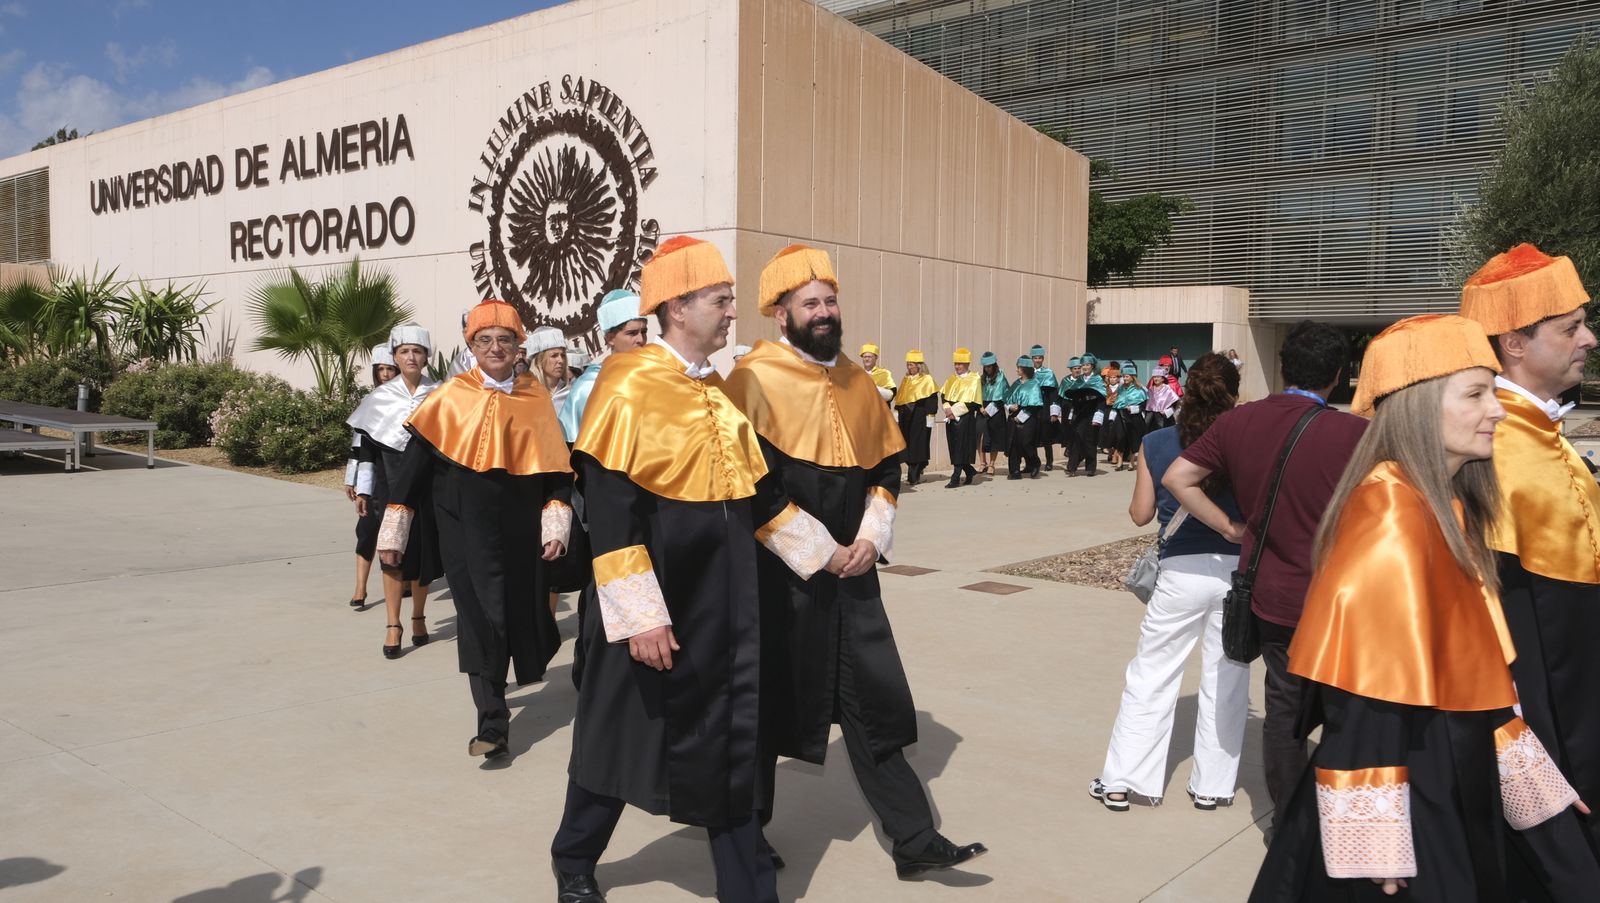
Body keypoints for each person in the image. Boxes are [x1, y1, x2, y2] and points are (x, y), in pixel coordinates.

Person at [1250, 314, 1591, 901]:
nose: (1499, 411)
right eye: (1476, 394)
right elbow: (1363, 695)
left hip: (1451, 759)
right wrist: (1373, 836)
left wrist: (1531, 780)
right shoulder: (1391, 511)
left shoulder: (1443, 504)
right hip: (1412, 776)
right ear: (1419, 406)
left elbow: (1477, 670)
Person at [551, 235, 838, 903]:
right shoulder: (625, 387)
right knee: (619, 740)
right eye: (721, 299)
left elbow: (761, 493)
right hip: (658, 603)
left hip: (727, 602)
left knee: (730, 740)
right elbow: (614, 514)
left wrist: (827, 553)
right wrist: (642, 616)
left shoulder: (718, 388)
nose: (733, 311)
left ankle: (748, 889)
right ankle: (573, 856)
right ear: (678, 307)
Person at [724, 243, 987, 882]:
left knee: (874, 703)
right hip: (780, 578)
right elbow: (750, 483)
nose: (824, 311)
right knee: (768, 710)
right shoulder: (750, 378)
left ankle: (914, 838)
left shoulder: (857, 380)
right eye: (809, 302)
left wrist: (871, 535)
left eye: (830, 299)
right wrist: (820, 550)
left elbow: (885, 466)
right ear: (780, 313)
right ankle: (747, 844)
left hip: (855, 575)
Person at [1163, 321, 1367, 835]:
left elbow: (1177, 478)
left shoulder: (1239, 422)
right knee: (1348, 709)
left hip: (1273, 594)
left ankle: (1290, 821)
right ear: (1339, 375)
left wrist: (1232, 527)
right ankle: (1348, 820)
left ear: (1282, 367)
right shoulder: (1356, 433)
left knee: (1285, 709)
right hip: (1342, 598)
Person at [1459, 243, 1600, 884]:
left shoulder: (1541, 431)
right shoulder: (1490, 447)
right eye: (1570, 328)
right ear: (1514, 342)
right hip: (1547, 711)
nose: (1589, 339)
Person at [376, 300, 573, 758]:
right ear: (472, 346)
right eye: (485, 340)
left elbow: (558, 474)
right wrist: (393, 534)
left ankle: (502, 695)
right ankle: (492, 722)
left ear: (519, 347)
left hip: (522, 535)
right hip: (463, 532)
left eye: (505, 340)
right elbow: (411, 472)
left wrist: (556, 526)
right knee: (479, 621)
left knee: (517, 618)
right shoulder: (448, 397)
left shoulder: (535, 398)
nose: (495, 348)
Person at [1091, 353, 1247, 813]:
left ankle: (1123, 781)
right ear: (1234, 394)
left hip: (1180, 570)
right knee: (1228, 677)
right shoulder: (1247, 440)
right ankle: (1212, 787)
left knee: (1152, 674)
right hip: (1237, 570)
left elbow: (1140, 515)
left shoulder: (1157, 440)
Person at [347, 323, 443, 658]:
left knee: (423, 555)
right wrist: (363, 490)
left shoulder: (442, 393)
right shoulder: (379, 398)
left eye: (418, 351)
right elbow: (369, 451)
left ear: (427, 356)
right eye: (405, 351)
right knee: (391, 554)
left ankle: (418, 616)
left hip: (429, 488)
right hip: (390, 487)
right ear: (395, 356)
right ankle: (393, 623)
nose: (411, 357)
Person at [344, 343, 398, 609]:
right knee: (367, 530)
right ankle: (360, 588)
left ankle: (406, 583)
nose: (386, 374)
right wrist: (352, 478)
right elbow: (359, 445)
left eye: (391, 369)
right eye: (381, 369)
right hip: (373, 475)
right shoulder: (370, 401)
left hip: (399, 476)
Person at [559, 290, 648, 444]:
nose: (641, 339)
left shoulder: (653, 377)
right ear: (610, 338)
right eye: (632, 333)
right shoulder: (589, 387)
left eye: (644, 331)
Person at [893, 351, 938, 485]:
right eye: (908, 364)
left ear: (919, 365)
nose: (909, 367)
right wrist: (896, 412)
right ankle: (916, 470)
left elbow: (931, 399)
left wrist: (930, 416)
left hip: (919, 416)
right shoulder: (906, 379)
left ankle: (913, 475)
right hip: (905, 418)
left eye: (911, 364)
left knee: (918, 445)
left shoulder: (927, 380)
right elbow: (900, 398)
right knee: (907, 444)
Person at [939, 348, 982, 488]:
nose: (957, 366)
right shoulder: (951, 378)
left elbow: (974, 402)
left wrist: (954, 411)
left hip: (965, 418)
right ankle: (969, 471)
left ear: (967, 364)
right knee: (954, 447)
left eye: (960, 364)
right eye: (955, 363)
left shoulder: (975, 378)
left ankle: (955, 477)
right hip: (950, 418)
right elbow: (943, 395)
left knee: (960, 447)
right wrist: (946, 409)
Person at [1063, 352, 1108, 477]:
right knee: (1077, 438)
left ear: (1092, 365)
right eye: (1083, 365)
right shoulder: (1079, 380)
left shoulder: (1098, 379)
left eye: (1087, 364)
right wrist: (1072, 413)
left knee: (1090, 440)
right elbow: (1074, 398)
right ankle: (1072, 467)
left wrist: (1098, 415)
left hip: (1092, 413)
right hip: (1079, 412)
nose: (1085, 367)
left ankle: (1090, 467)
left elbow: (1101, 400)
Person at [1005, 354, 1043, 480]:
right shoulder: (1016, 383)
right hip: (1013, 416)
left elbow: (1034, 405)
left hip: (1028, 416)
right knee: (1013, 444)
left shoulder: (1034, 384)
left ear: (1024, 369)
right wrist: (1010, 407)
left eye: (1018, 368)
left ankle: (1035, 463)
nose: (1016, 370)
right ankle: (1015, 471)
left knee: (1026, 442)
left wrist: (1021, 417)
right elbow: (1006, 399)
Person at [1110, 364, 1148, 472]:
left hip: (1133, 417)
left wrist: (1133, 408)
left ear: (1132, 377)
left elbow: (1143, 406)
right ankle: (1120, 462)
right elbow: (1117, 402)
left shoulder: (1139, 389)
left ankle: (1131, 462)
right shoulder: (1121, 388)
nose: (1125, 378)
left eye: (1127, 376)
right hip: (1121, 415)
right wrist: (1112, 415)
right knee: (1120, 438)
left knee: (1133, 439)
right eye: (1123, 376)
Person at [524, 325, 570, 412]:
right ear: (539, 360)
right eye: (554, 355)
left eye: (563, 355)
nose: (560, 360)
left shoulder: (572, 394)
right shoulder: (526, 395)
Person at [978, 351, 1009, 476]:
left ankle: (992, 464)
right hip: (982, 407)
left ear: (994, 365)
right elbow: (977, 393)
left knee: (994, 436)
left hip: (996, 407)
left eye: (990, 366)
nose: (987, 369)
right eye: (985, 367)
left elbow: (1003, 394)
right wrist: (980, 407)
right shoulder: (982, 378)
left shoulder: (1001, 376)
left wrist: (990, 409)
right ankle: (982, 463)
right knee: (980, 435)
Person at [1030, 344, 1060, 470]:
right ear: (1032, 359)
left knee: (1046, 436)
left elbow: (1054, 394)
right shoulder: (1028, 372)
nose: (1037, 360)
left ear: (1043, 359)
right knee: (1032, 437)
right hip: (1032, 408)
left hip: (1045, 407)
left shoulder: (1048, 373)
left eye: (1040, 358)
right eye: (1035, 358)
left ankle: (1049, 461)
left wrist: (1054, 412)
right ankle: (1034, 462)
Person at [1145, 361, 1180, 433]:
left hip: (1164, 419)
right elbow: (1146, 404)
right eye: (1154, 377)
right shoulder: (1150, 390)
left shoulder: (1168, 389)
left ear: (1163, 378)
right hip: (1151, 420)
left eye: (1158, 377)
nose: (1156, 379)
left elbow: (1176, 404)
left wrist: (1167, 412)